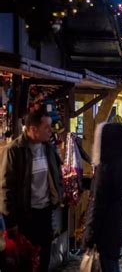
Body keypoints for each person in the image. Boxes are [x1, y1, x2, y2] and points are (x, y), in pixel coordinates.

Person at [0, 108, 63, 272]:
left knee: (44, 259)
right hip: (25, 216)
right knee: (26, 263)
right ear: (33, 129)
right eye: (46, 127)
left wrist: (58, 197)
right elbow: (5, 187)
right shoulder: (14, 150)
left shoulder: (48, 148)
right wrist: (10, 221)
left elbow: (56, 174)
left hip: (45, 213)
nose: (50, 130)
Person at [83, 122, 122, 272]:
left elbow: (99, 203)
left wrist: (89, 235)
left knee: (107, 264)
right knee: (112, 263)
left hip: (105, 227)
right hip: (117, 222)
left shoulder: (106, 166)